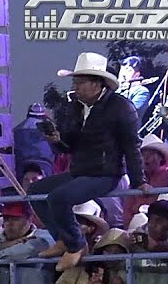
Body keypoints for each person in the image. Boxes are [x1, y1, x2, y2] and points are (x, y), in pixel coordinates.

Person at [35, 52, 150, 271]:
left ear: (97, 84)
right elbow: (71, 144)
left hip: (105, 172)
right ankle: (64, 239)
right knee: (35, 191)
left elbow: (131, 145)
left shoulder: (120, 107)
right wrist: (57, 141)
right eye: (75, 82)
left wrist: (139, 181)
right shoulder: (77, 107)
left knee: (59, 197)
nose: (75, 87)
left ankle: (76, 245)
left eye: (79, 82)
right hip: (81, 170)